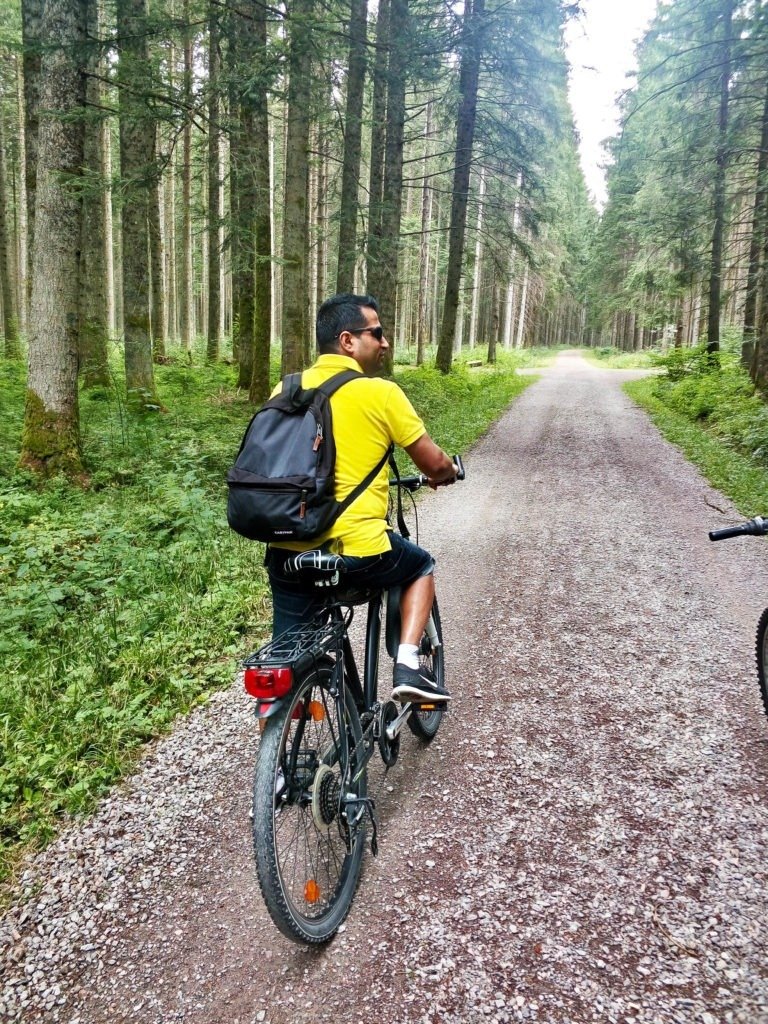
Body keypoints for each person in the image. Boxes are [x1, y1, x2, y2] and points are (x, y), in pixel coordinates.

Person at [265, 292, 457, 704]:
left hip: (286, 549)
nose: (385, 342)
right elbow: (434, 463)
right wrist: (449, 473)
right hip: (358, 550)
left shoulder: (286, 388)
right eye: (378, 333)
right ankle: (407, 663)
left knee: (282, 661)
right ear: (348, 340)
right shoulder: (381, 393)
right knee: (420, 565)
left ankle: (278, 759)